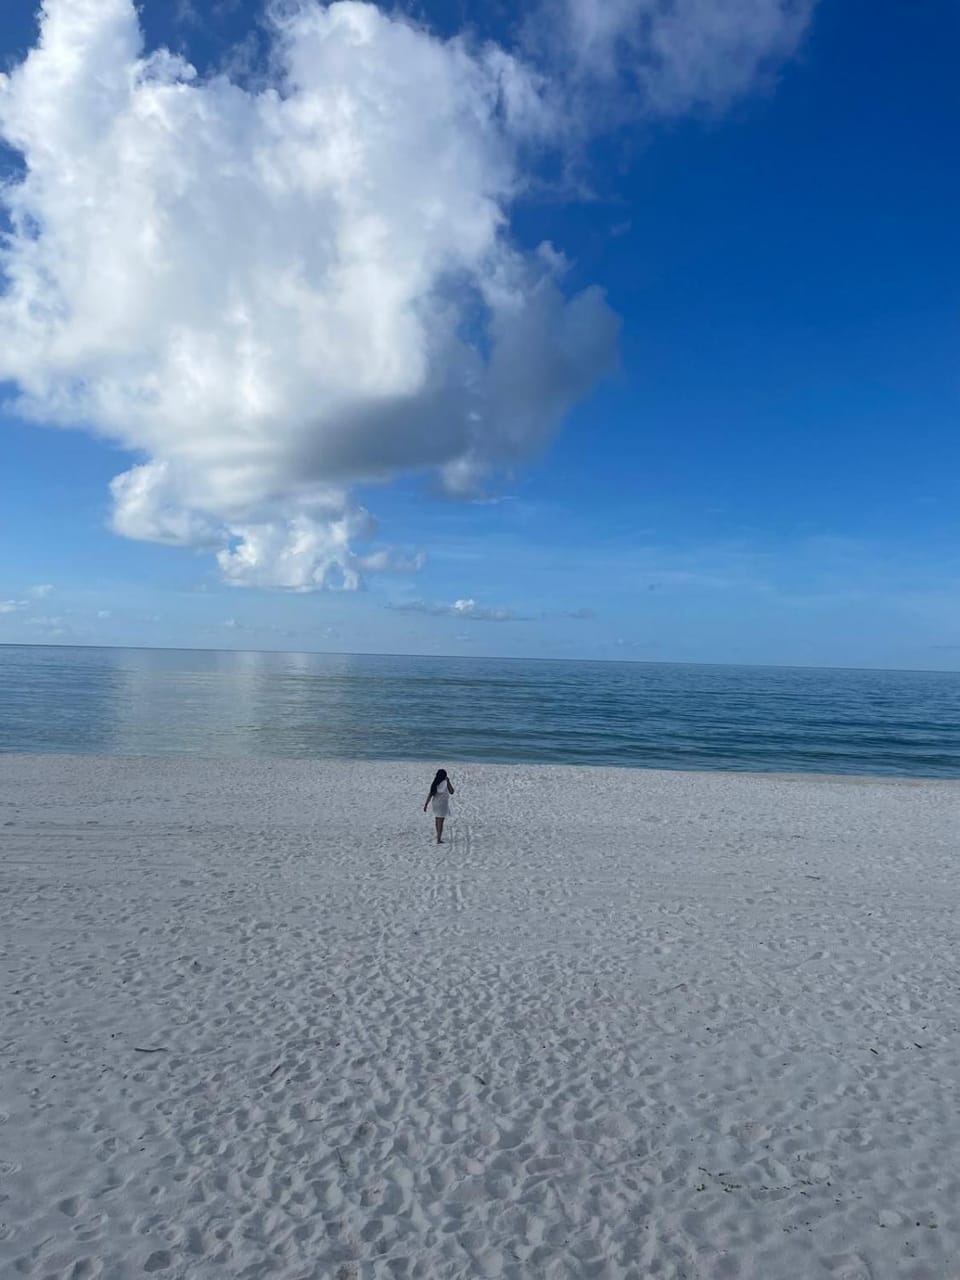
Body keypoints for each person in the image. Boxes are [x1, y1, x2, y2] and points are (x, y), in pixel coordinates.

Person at [423, 768, 454, 844]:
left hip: (435, 803)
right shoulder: (445, 782)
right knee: (441, 821)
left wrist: (426, 804)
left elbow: (430, 794)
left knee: (437, 820)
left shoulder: (435, 783)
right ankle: (438, 839)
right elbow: (452, 791)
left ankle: (438, 836)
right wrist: (448, 781)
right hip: (442, 804)